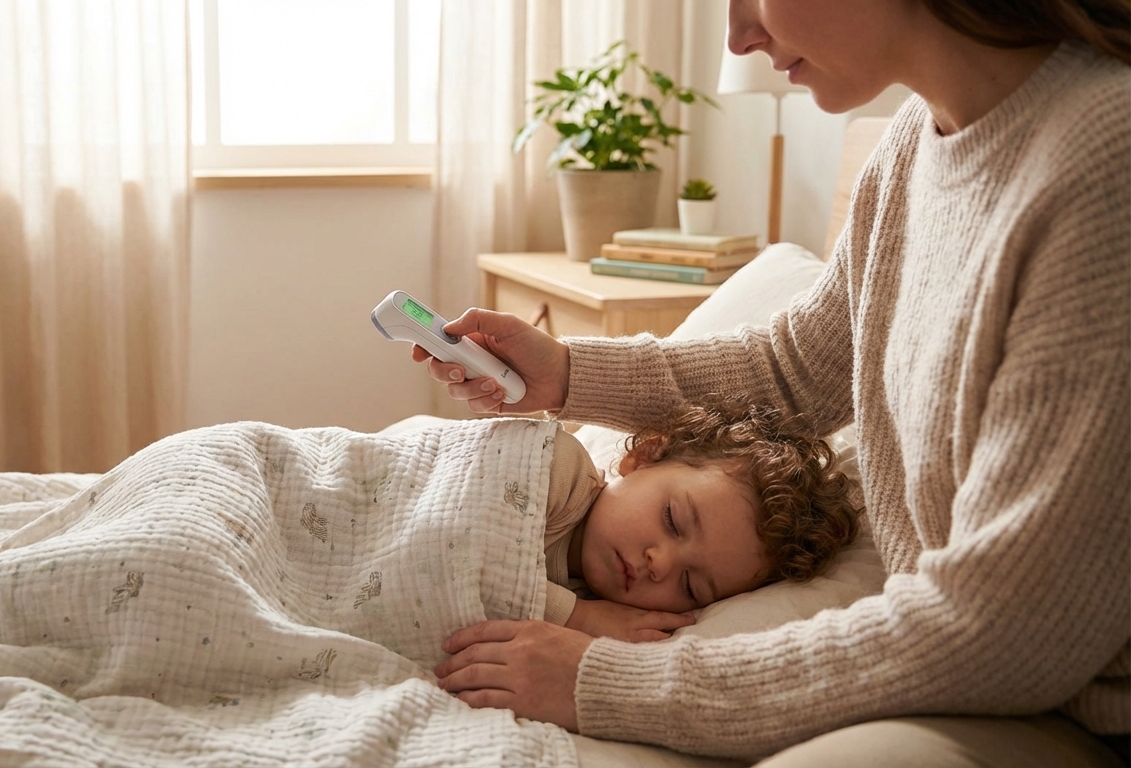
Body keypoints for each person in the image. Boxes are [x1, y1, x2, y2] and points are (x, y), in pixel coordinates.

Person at [415, 0, 1131, 765]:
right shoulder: (912, 147)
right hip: (995, 677)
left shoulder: (1103, 168)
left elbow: (1007, 631)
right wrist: (565, 373)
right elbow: (795, 373)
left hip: (1073, 708)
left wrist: (609, 681)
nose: (738, 36)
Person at [538, 396, 860, 643]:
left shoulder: (593, 601)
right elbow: (486, 553)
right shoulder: (555, 467)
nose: (660, 565)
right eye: (672, 520)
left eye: (690, 586)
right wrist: (577, 617)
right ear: (644, 456)